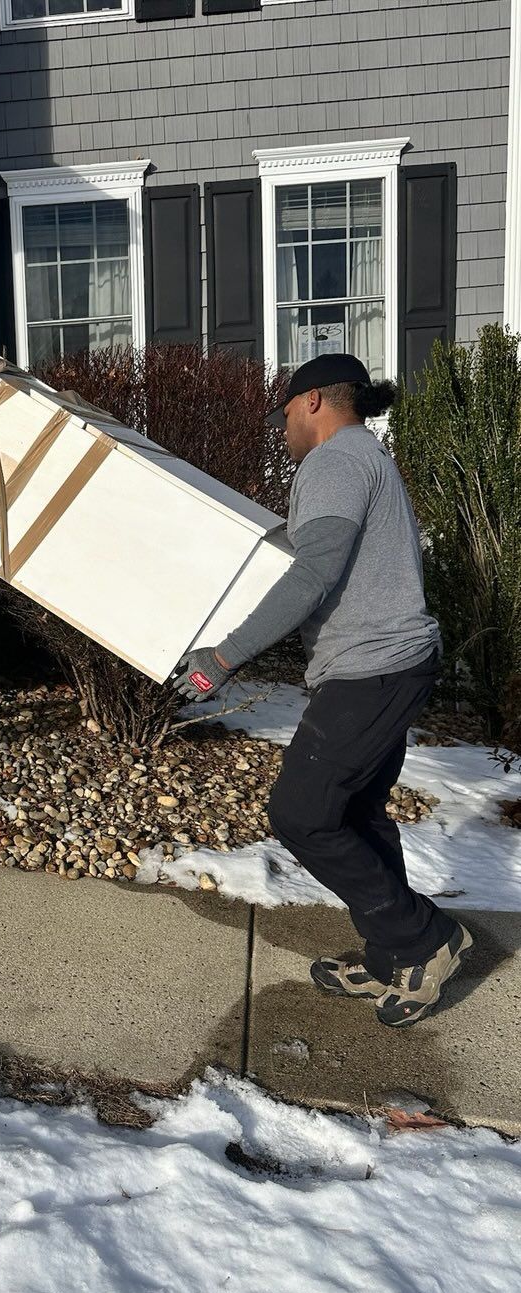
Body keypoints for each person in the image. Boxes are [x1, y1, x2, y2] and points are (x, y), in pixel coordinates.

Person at [174, 353, 471, 1028]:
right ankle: (394, 951)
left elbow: (312, 576)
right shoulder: (365, 457)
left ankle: (427, 939)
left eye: (283, 416)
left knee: (302, 813)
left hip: (372, 671)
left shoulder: (334, 462)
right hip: (387, 666)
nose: (282, 431)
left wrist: (218, 661)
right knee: (358, 813)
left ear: (312, 403)